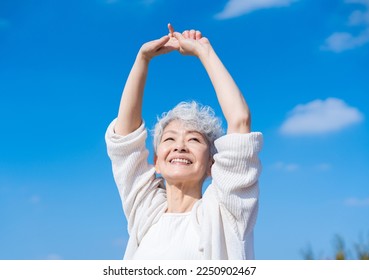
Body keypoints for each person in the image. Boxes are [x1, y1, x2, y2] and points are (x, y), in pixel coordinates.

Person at [105, 24, 263, 260]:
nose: (180, 146)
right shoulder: (146, 212)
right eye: (170, 139)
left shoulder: (225, 212)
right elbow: (124, 142)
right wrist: (143, 59)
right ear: (156, 161)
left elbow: (240, 120)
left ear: (212, 164)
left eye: (193, 139)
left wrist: (204, 52)